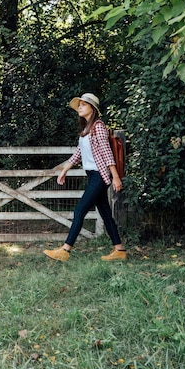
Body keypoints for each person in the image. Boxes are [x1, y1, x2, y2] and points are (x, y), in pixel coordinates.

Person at [43, 93, 126, 262]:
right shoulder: (86, 129)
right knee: (105, 213)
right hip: (92, 175)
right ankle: (120, 250)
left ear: (92, 108)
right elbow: (79, 152)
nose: (79, 107)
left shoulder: (98, 126)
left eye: (83, 105)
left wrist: (116, 177)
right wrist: (65, 169)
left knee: (79, 210)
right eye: (79, 105)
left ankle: (65, 250)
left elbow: (107, 153)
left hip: (100, 176)